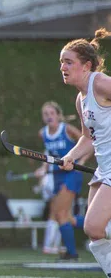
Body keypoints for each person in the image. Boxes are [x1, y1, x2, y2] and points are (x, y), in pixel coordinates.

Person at [56, 28, 111, 278]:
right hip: (104, 168)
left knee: (93, 224)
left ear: (86, 65)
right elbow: (88, 139)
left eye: (68, 62)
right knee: (96, 231)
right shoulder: (80, 99)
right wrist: (71, 156)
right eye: (61, 63)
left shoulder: (99, 83)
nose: (63, 67)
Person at [34, 102, 83, 259]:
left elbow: (87, 142)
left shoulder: (66, 129)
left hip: (71, 174)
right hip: (56, 176)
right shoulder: (43, 133)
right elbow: (48, 154)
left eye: (51, 113)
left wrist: (80, 162)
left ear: (58, 115)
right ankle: (103, 225)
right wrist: (43, 169)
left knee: (60, 214)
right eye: (45, 114)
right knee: (66, 217)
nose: (49, 116)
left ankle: (72, 253)